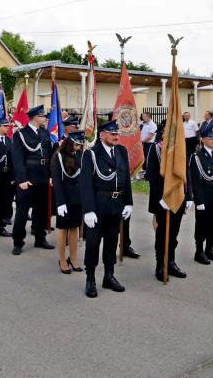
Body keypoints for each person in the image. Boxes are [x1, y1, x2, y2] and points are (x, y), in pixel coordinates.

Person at [80, 120, 133, 298]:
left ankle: (109, 276)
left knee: (111, 242)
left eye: (117, 134)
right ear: (102, 135)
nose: (116, 137)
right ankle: (90, 278)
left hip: (116, 205)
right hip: (98, 205)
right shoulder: (91, 154)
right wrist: (88, 210)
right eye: (112, 134)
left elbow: (125, 178)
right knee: (93, 244)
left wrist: (128, 202)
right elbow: (85, 183)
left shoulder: (121, 151)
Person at [146, 122, 189, 281]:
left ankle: (171, 262)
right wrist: (162, 197)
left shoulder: (180, 149)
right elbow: (151, 175)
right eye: (168, 132)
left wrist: (188, 195)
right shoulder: (156, 149)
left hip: (178, 197)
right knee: (162, 233)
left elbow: (185, 173)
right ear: (162, 133)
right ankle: (160, 264)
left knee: (174, 233)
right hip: (162, 199)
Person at [10, 106, 54, 255]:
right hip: (28, 178)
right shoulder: (21, 134)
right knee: (22, 212)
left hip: (42, 177)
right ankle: (18, 242)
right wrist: (22, 179)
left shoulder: (44, 133)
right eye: (43, 116)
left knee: (41, 211)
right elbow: (17, 158)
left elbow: (49, 155)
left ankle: (40, 238)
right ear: (35, 117)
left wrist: (50, 175)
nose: (45, 118)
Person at [190, 127, 213, 265]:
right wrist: (199, 200)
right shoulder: (197, 157)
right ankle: (199, 251)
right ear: (203, 140)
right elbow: (195, 181)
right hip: (205, 196)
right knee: (202, 224)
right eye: (211, 138)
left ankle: (209, 249)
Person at [52, 132, 84, 274]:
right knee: (63, 228)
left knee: (74, 227)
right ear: (69, 143)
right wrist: (60, 202)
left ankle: (73, 257)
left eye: (80, 145)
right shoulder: (58, 156)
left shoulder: (80, 155)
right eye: (76, 144)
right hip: (64, 198)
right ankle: (62, 259)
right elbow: (57, 181)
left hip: (77, 198)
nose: (78, 148)